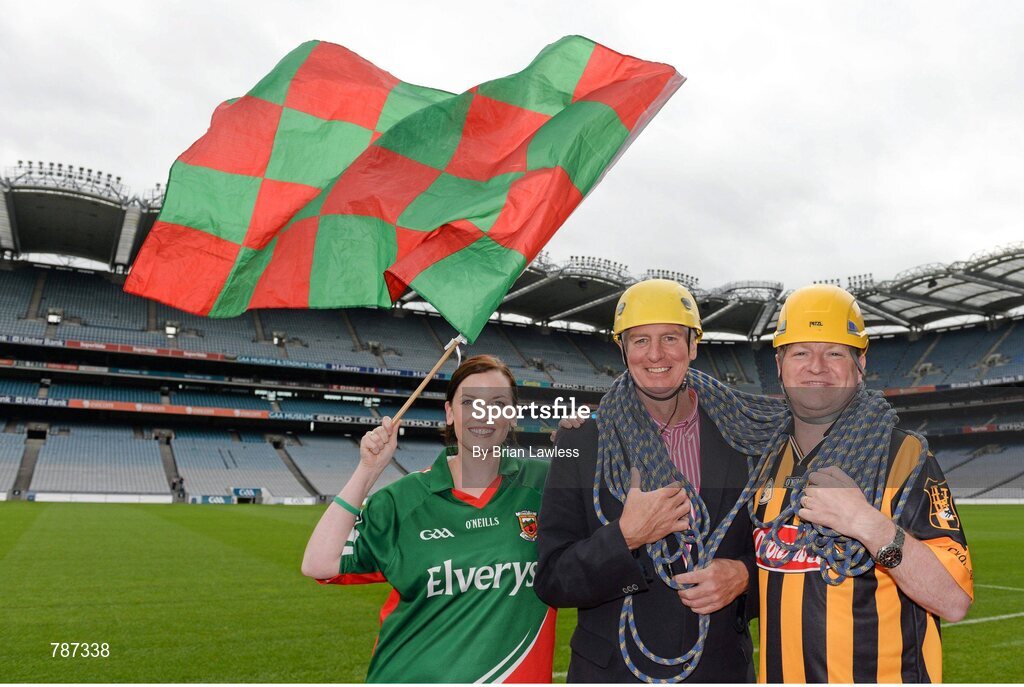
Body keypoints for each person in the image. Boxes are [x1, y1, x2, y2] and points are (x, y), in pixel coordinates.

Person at [535, 279, 757, 683]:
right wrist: (625, 537)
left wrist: (745, 577)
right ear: (623, 350)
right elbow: (553, 578)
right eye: (640, 341)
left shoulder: (743, 438)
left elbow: (783, 556)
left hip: (719, 670)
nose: (655, 355)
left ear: (693, 346)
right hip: (614, 672)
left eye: (670, 338)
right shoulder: (583, 439)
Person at [753, 284, 973, 682]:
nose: (816, 366)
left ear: (860, 364)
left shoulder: (905, 458)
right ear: (780, 364)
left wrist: (869, 525)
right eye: (801, 352)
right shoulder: (765, 461)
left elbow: (953, 600)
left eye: (835, 352)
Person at [301, 354, 555, 683]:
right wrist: (368, 471)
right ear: (449, 413)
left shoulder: (546, 483)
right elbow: (319, 563)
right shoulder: (402, 501)